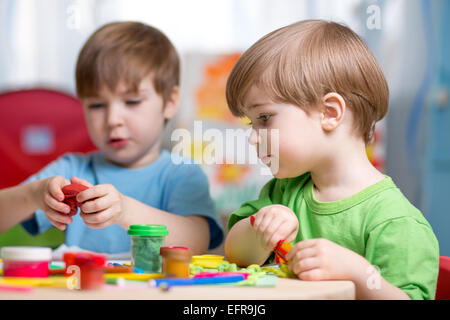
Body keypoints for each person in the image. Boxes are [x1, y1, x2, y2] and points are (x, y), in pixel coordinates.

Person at [224, 20, 438, 299]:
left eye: (264, 118)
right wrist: (260, 232)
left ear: (330, 113)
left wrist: (359, 274)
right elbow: (235, 253)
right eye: (251, 123)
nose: (253, 138)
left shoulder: (394, 221)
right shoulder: (286, 192)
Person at [0, 21, 223, 255]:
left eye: (132, 102)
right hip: (85, 291)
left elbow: (198, 240)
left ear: (170, 102)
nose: (112, 119)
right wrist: (33, 195)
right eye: (97, 105)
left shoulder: (181, 172)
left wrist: (125, 211)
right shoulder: (72, 169)